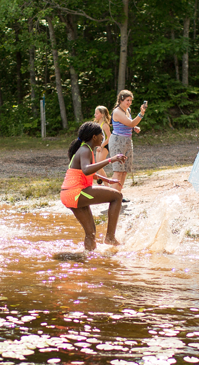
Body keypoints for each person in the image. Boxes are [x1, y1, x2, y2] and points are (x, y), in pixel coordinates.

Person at [60, 121, 126, 251]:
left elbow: (82, 173)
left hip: (68, 194)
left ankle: (89, 259)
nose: (103, 137)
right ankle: (110, 237)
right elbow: (86, 169)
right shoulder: (85, 150)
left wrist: (106, 179)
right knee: (117, 197)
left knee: (91, 233)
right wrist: (110, 159)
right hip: (76, 192)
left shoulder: (84, 149)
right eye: (101, 134)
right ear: (94, 137)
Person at [110, 90, 146, 192]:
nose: (129, 102)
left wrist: (134, 127)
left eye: (130, 100)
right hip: (118, 141)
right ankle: (113, 196)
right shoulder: (117, 111)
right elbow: (130, 123)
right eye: (127, 100)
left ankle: (118, 194)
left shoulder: (127, 110)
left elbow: (129, 124)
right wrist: (141, 114)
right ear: (121, 100)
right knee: (118, 170)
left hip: (127, 140)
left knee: (125, 170)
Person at [94, 106, 112, 170]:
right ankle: (101, 180)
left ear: (102, 114)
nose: (95, 115)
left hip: (105, 146)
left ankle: (104, 180)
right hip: (99, 146)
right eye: (95, 113)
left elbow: (109, 137)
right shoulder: (97, 124)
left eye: (97, 113)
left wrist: (101, 146)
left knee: (99, 166)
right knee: (97, 166)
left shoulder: (105, 125)